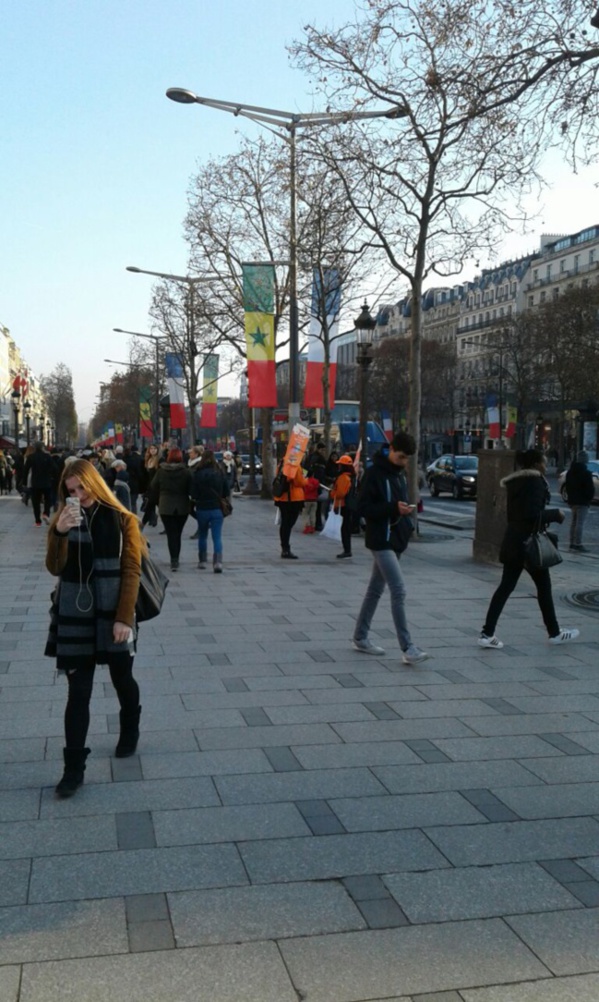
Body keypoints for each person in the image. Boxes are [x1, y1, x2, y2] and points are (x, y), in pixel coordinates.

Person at [45, 459, 145, 798]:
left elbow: (131, 570)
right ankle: (73, 769)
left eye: (82, 487)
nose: (78, 495)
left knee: (122, 677)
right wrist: (59, 533)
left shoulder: (122, 518)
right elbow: (54, 567)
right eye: (71, 491)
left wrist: (124, 618)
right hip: (75, 612)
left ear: (94, 482)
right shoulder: (63, 518)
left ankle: (129, 726)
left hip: (114, 610)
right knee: (78, 692)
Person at [479, 449, 580, 648]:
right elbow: (532, 515)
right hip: (530, 545)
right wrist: (555, 514)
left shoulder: (516, 482)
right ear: (535, 464)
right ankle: (554, 632)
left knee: (506, 587)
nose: (545, 465)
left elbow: (518, 515)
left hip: (514, 541)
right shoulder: (534, 482)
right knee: (543, 587)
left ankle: (487, 633)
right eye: (543, 462)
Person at [353, 431, 429, 665]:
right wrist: (394, 508)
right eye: (401, 457)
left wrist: (404, 512)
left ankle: (360, 636)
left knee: (375, 589)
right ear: (391, 449)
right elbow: (362, 507)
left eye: (407, 459)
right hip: (380, 539)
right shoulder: (374, 473)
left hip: (395, 538)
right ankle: (407, 647)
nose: (404, 462)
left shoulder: (399, 475)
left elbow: (396, 504)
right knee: (398, 590)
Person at [146, 448, 191, 571]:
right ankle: (176, 558)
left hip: (166, 505)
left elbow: (153, 485)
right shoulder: (186, 472)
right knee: (178, 534)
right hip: (182, 505)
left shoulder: (161, 471)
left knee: (171, 534)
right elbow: (191, 488)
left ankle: (173, 560)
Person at [190, 450, 230, 572]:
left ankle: (202, 560)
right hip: (216, 508)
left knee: (202, 535)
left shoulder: (197, 473)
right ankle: (217, 562)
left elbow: (193, 493)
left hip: (202, 508)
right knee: (217, 537)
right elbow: (226, 492)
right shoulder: (219, 473)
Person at [273, 460, 306, 559]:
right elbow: (299, 482)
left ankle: (284, 547)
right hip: (293, 498)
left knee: (285, 523)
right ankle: (286, 548)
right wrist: (306, 480)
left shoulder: (282, 463)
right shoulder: (295, 465)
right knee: (288, 523)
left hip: (282, 498)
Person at [565, 450, 594, 552]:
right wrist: (588, 498)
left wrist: (570, 498)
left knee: (574, 522)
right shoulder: (586, 473)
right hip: (583, 501)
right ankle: (578, 543)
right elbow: (590, 489)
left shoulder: (570, 472)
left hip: (572, 500)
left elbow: (567, 487)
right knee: (580, 523)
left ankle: (572, 542)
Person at [331, 454, 356, 558]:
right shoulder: (352, 477)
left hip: (343, 505)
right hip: (350, 505)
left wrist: (332, 493)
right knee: (347, 528)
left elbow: (340, 493)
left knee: (344, 529)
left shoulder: (343, 477)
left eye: (340, 464)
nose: (339, 466)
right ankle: (347, 549)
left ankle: (347, 550)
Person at [24, 441, 54, 526]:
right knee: (48, 499)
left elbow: (25, 470)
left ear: (35, 448)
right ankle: (46, 513)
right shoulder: (47, 456)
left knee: (36, 502)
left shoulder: (31, 457)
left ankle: (38, 521)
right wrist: (53, 477)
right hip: (46, 482)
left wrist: (25, 482)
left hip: (35, 483)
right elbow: (54, 468)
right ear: (42, 447)